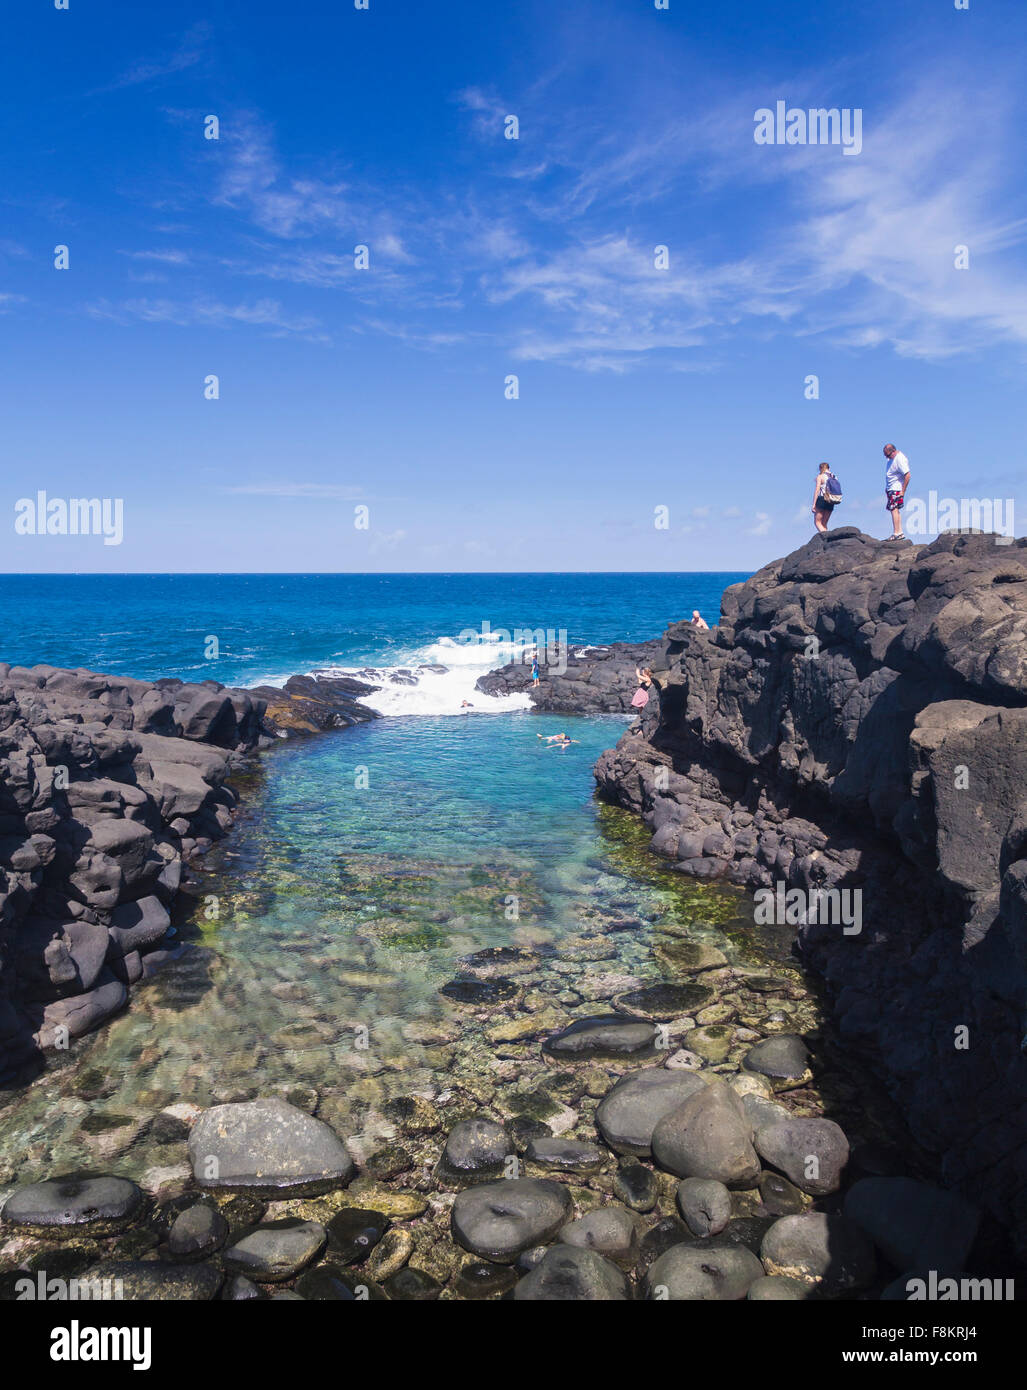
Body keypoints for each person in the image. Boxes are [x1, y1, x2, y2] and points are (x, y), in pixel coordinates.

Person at [883, 444, 911, 539]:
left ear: (893, 451)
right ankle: (899, 532)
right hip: (891, 488)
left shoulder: (900, 459)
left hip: (896, 489)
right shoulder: (892, 458)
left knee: (894, 509)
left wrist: (903, 491)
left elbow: (907, 475)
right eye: (885, 455)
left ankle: (897, 533)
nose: (886, 457)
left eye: (888, 455)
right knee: (895, 510)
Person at [812, 462, 835, 534]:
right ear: (829, 468)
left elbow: (817, 490)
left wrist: (814, 504)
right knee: (824, 523)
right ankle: (828, 540)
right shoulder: (834, 476)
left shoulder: (820, 476)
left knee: (817, 522)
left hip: (822, 499)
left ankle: (827, 538)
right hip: (831, 500)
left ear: (820, 469)